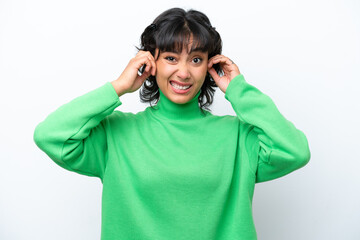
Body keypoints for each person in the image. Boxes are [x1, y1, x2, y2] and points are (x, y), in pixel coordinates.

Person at [33, 7, 310, 240]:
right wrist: (118, 87)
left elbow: (295, 151)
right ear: (150, 62)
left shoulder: (238, 136)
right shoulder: (115, 134)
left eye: (196, 59)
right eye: (171, 58)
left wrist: (239, 90)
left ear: (209, 67)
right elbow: (50, 135)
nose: (184, 72)